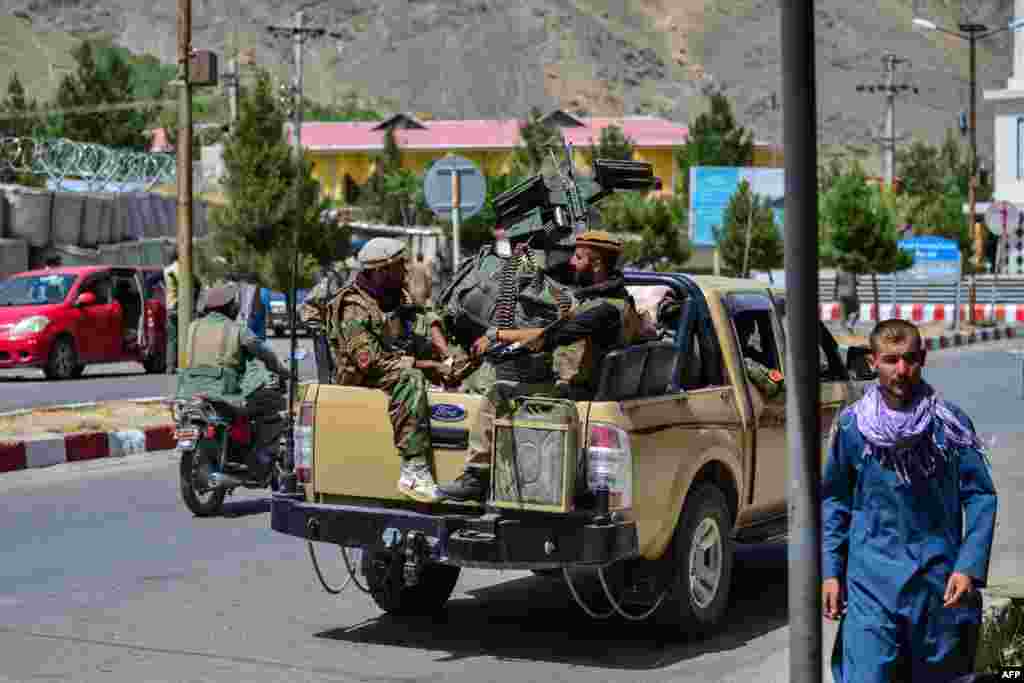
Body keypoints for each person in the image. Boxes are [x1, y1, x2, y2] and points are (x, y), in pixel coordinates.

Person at [822, 318, 997, 683]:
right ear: (873, 362)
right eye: (890, 360)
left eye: (910, 359)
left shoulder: (949, 425)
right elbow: (835, 500)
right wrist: (831, 572)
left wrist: (968, 566)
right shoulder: (854, 427)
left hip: (936, 585)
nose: (901, 370)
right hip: (870, 585)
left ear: (923, 358)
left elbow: (980, 495)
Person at [438, 230, 641, 502]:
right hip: (589, 389)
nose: (571, 263)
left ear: (596, 265)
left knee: (499, 393)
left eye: (578, 258)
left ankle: (477, 476)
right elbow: (553, 321)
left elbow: (550, 336)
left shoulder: (603, 309)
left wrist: (496, 335)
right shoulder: (620, 301)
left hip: (579, 394)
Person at [329, 237, 458, 503]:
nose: (406, 271)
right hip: (363, 378)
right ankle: (413, 469)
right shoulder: (353, 308)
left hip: (391, 366)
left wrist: (447, 358)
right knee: (410, 377)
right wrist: (427, 366)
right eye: (400, 266)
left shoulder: (395, 295)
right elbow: (372, 363)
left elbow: (424, 321)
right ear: (381, 270)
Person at [177, 283, 290, 484]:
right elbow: (264, 353)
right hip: (223, 394)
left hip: (188, 392)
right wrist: (282, 370)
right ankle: (261, 458)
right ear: (231, 307)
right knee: (274, 403)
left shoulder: (192, 328)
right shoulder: (237, 330)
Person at [164, 247, 203, 374]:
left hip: (170, 306)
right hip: (183, 307)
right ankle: (186, 364)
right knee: (188, 335)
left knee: (172, 338)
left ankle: (170, 366)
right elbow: (197, 284)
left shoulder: (167, 270)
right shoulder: (184, 269)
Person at [834, 269, 860, 334]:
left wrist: (835, 294)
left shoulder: (838, 270)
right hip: (851, 293)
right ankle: (850, 325)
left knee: (843, 315)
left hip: (841, 294)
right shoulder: (853, 269)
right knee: (857, 311)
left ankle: (844, 333)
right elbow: (858, 282)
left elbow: (836, 283)